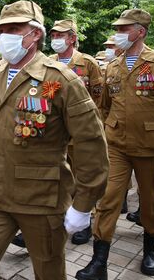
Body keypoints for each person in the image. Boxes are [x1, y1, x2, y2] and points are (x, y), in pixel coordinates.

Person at [0, 0, 108, 280]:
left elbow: (91, 145)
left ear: (35, 34)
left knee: (48, 272)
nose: (5, 36)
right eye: (2, 30)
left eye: (14, 28)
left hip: (41, 201)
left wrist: (84, 204)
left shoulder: (60, 80)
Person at [76, 10, 154, 280]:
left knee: (150, 202)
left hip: (151, 147)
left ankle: (151, 250)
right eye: (117, 28)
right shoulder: (113, 66)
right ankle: (98, 261)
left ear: (141, 32)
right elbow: (104, 107)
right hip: (117, 147)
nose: (118, 33)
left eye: (124, 29)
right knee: (108, 199)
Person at [48, 19, 105, 245]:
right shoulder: (47, 62)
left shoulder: (87, 63)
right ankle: (50, 218)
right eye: (52, 36)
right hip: (54, 131)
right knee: (56, 178)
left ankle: (85, 220)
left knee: (83, 177)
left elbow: (98, 97)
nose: (55, 40)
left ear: (72, 37)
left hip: (80, 130)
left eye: (60, 35)